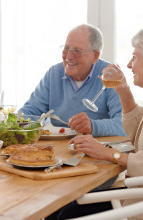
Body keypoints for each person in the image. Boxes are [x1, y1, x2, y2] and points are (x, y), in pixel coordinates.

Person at [47, 29, 143, 220]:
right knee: (57, 208)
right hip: (133, 194)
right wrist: (123, 92)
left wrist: (107, 153)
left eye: (135, 57)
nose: (129, 64)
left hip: (134, 205)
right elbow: (135, 134)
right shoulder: (53, 73)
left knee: (62, 213)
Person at [19, 24, 126, 137]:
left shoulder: (110, 77)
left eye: (77, 51)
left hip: (98, 149)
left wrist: (93, 126)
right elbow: (30, 111)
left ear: (95, 56)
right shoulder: (54, 73)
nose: (69, 57)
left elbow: (124, 124)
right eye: (66, 48)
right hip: (59, 147)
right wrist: (11, 120)